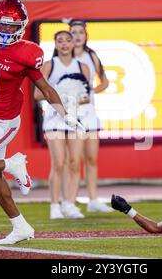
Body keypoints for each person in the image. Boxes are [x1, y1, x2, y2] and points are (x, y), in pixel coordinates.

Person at [0, 0, 83, 244]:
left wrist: (67, 115)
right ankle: (21, 227)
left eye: (13, 26)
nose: (7, 30)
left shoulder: (27, 52)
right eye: (3, 25)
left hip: (4, 121)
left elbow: (46, 87)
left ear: (21, 26)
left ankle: (11, 164)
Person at [34, 30, 90, 219]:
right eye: (60, 41)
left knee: (74, 162)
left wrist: (74, 98)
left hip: (76, 120)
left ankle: (70, 204)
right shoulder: (49, 65)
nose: (65, 44)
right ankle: (54, 205)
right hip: (54, 119)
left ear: (74, 44)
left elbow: (86, 96)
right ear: (55, 45)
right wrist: (61, 93)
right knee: (58, 163)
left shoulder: (82, 67)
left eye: (68, 40)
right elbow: (37, 94)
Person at [65, 20, 112, 213]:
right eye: (73, 32)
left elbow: (105, 81)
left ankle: (93, 200)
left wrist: (90, 91)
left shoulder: (91, 56)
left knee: (91, 158)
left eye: (80, 33)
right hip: (70, 114)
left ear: (85, 36)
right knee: (73, 161)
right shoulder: (62, 57)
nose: (76, 36)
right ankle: (69, 202)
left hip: (89, 112)